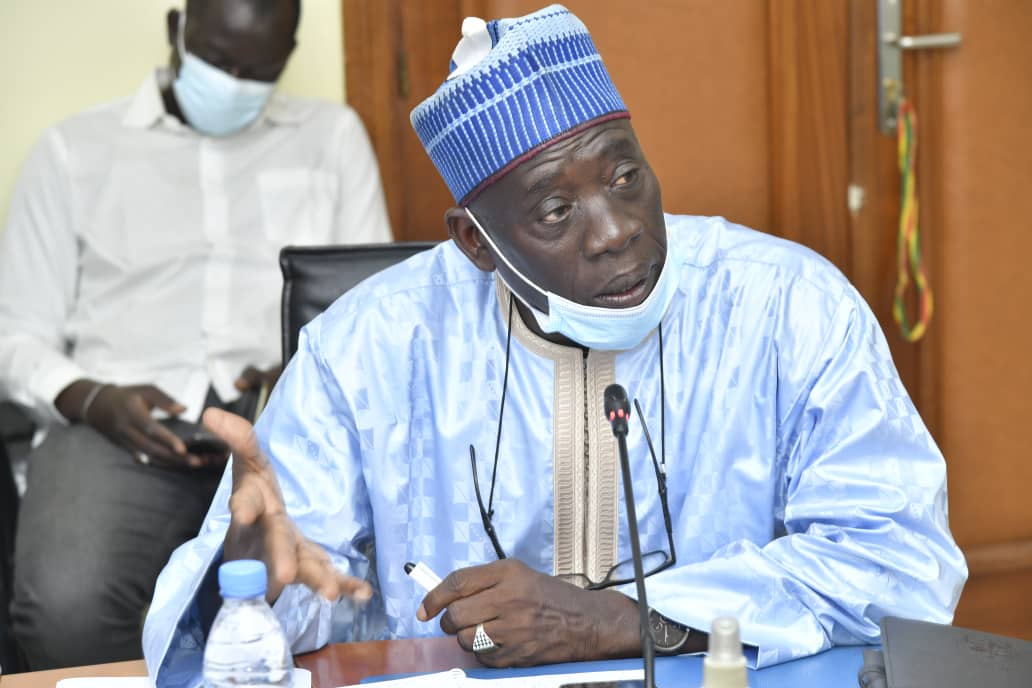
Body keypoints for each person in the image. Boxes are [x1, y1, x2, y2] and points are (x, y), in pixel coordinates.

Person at [143, 4, 966, 685]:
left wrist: (621, 618)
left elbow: (902, 566)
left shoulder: (788, 306)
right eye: (555, 211)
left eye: (625, 177)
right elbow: (244, 628)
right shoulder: (367, 347)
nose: (616, 232)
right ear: (476, 243)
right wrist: (246, 578)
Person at [0, 0, 390, 669]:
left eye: (259, 69)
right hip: (114, 432)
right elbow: (14, 330)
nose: (235, 82)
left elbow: (367, 308)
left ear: (289, 54)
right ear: (177, 30)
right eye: (218, 60)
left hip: (282, 428)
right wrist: (91, 397)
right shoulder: (72, 152)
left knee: (331, 593)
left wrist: (299, 366)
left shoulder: (332, 139)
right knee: (66, 607)